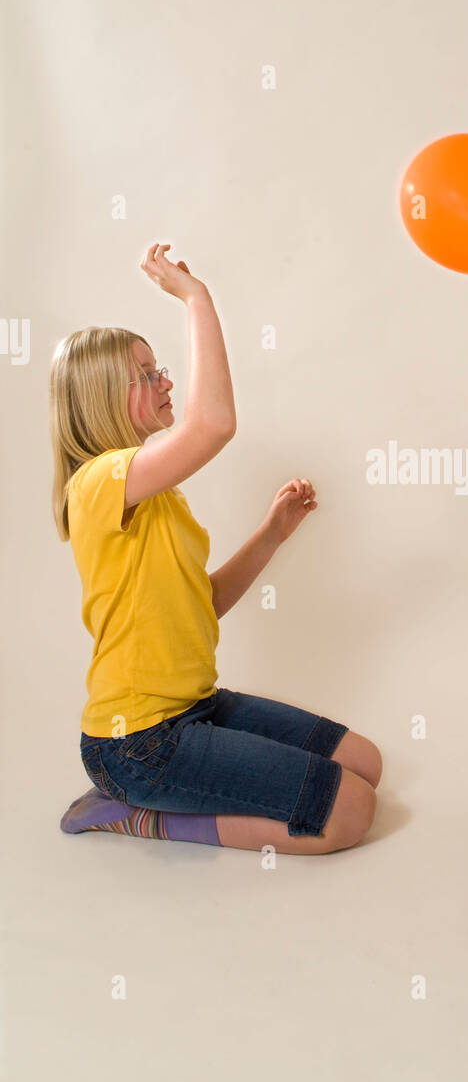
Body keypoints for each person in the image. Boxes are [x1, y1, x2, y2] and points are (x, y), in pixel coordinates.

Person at [51, 243, 381, 855]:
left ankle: (166, 792)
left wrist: (272, 533)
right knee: (351, 813)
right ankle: (137, 814)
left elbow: (201, 603)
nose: (165, 380)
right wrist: (196, 297)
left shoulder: (159, 498)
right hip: (139, 743)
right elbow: (213, 425)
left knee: (366, 763)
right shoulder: (98, 482)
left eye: (160, 368)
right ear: (100, 396)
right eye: (146, 375)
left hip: (195, 707)